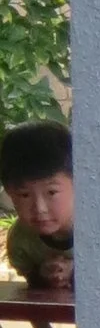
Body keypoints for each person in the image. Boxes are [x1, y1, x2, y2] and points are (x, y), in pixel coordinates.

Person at [2, 120, 72, 294]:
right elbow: (32, 290)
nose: (39, 208)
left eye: (51, 192)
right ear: (9, 192)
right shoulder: (21, 241)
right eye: (24, 195)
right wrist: (41, 275)